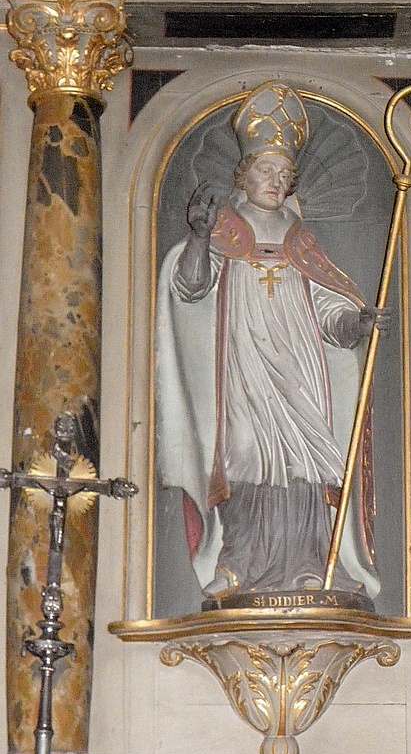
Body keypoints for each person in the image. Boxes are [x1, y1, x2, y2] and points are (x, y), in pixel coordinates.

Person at [156, 82, 386, 600]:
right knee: (244, 451)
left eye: (285, 176)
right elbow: (189, 288)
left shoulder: (301, 240)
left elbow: (328, 308)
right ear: (244, 175)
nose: (276, 183)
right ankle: (238, 563)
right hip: (242, 365)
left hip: (300, 366)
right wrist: (198, 237)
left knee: (305, 458)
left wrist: (356, 324)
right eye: (266, 171)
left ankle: (311, 564)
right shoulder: (222, 232)